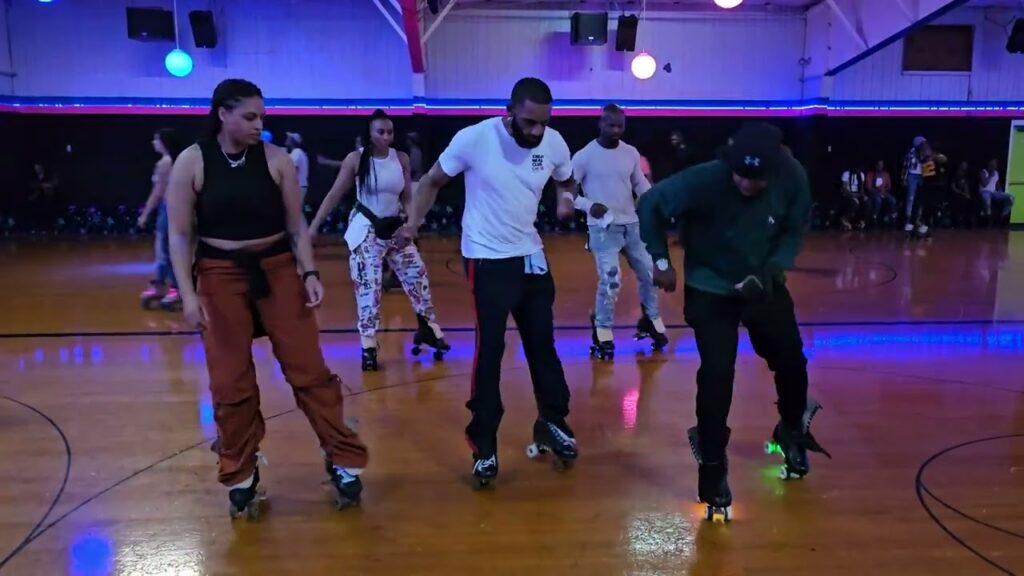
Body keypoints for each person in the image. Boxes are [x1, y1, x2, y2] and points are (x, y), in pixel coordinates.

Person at [166, 79, 368, 519]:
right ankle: (241, 468)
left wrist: (309, 272)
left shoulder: (277, 161)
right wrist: (187, 295)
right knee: (230, 379)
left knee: (308, 368)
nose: (260, 124)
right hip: (219, 274)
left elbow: (296, 226)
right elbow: (179, 235)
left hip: (277, 268)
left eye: (262, 116)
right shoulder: (192, 162)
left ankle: (341, 454)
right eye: (249, 117)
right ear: (223, 114)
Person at [636, 123, 830, 523]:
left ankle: (791, 428)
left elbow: (794, 229)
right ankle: (712, 463)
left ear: (774, 169)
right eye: (740, 175)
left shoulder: (792, 177)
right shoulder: (706, 178)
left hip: (763, 283)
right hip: (710, 286)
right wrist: (660, 259)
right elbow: (651, 204)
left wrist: (771, 271)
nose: (745, 184)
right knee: (718, 373)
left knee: (791, 360)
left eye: (756, 179)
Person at [396, 77, 579, 487]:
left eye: (544, 122)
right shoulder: (475, 138)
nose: (537, 131)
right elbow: (432, 181)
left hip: (531, 256)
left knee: (543, 344)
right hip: (486, 257)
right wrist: (413, 223)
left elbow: (566, 180)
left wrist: (565, 201)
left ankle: (552, 421)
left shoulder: (553, 143)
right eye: (529, 122)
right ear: (509, 112)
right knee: (491, 348)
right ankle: (483, 443)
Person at [309, 109, 449, 371]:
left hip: (395, 228)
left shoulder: (401, 158)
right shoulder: (356, 159)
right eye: (380, 132)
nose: (386, 137)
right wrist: (314, 226)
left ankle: (428, 328)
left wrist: (411, 225)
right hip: (366, 229)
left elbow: (408, 197)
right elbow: (334, 194)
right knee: (369, 288)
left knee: (417, 276)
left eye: (390, 132)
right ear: (370, 134)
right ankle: (368, 345)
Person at [570, 103, 667, 360]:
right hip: (603, 229)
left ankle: (651, 319)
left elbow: (640, 184)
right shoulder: (584, 156)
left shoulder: (630, 153)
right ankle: (602, 330)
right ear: (600, 124)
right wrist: (589, 205)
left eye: (620, 126)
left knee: (649, 273)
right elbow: (567, 193)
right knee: (611, 280)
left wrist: (656, 202)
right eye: (610, 125)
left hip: (632, 225)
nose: (615, 130)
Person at [138, 128, 186, 310]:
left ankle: (164, 287)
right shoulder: (182, 161)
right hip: (181, 209)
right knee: (175, 250)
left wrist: (144, 215)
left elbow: (157, 193)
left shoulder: (165, 163)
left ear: (165, 142)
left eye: (156, 140)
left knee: (164, 251)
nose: (153, 143)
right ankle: (174, 288)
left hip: (168, 210)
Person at [979, 159, 1015, 224]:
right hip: (985, 191)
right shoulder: (983, 172)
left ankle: (1003, 216)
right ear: (989, 164)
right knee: (987, 200)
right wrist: (990, 175)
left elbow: (998, 185)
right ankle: (988, 218)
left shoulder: (996, 173)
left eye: (995, 164)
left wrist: (1001, 193)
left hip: (994, 192)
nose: (994, 166)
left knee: (1011, 197)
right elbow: (984, 184)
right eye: (993, 164)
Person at [865, 160, 896, 227]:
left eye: (882, 165)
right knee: (878, 200)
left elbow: (889, 186)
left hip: (883, 192)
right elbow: (868, 187)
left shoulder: (886, 174)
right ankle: (874, 217)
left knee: (892, 200)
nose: (880, 166)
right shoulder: (870, 174)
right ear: (876, 165)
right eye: (879, 165)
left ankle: (892, 217)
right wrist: (876, 191)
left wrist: (883, 190)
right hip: (873, 192)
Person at [285, 132, 309, 205]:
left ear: (292, 141)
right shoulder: (298, 153)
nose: (287, 139)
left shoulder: (296, 152)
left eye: (289, 138)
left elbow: (292, 170)